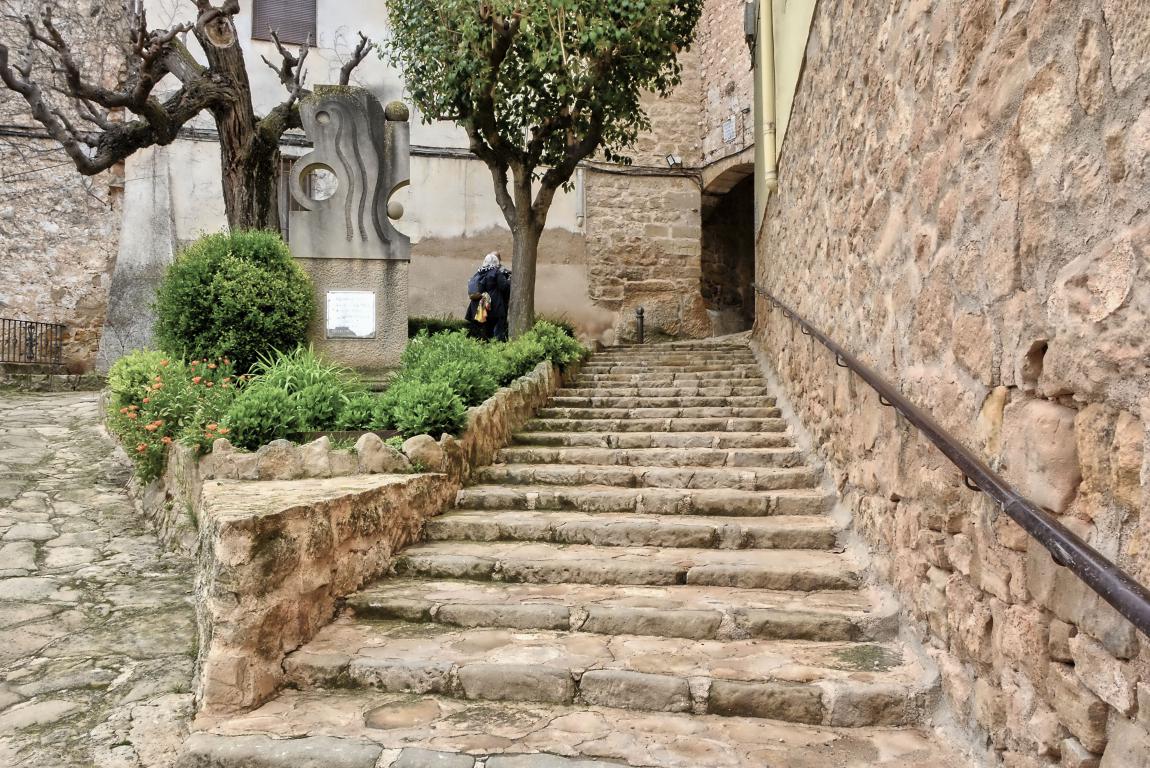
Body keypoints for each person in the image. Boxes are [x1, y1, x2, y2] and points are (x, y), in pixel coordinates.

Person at [465, 252, 512, 341]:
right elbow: (504, 287)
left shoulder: (479, 272)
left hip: (480, 308)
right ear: (496, 262)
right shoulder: (496, 272)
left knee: (485, 333)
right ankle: (498, 347)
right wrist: (510, 281)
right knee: (498, 333)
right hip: (494, 307)